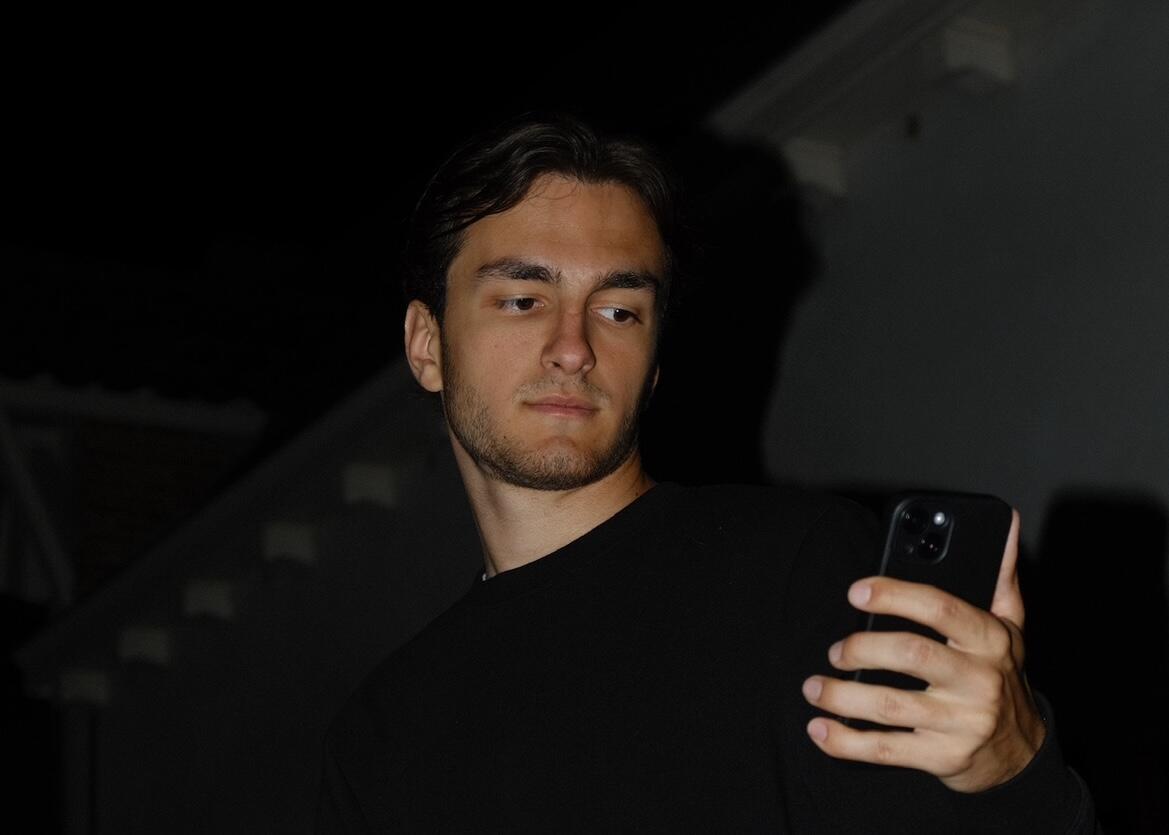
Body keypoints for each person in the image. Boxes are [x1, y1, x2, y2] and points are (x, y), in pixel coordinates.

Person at [315, 112, 1098, 832]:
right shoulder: (386, 730)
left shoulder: (796, 571)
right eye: (523, 299)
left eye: (618, 311)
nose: (573, 347)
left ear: (653, 363)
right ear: (426, 345)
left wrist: (1009, 770)